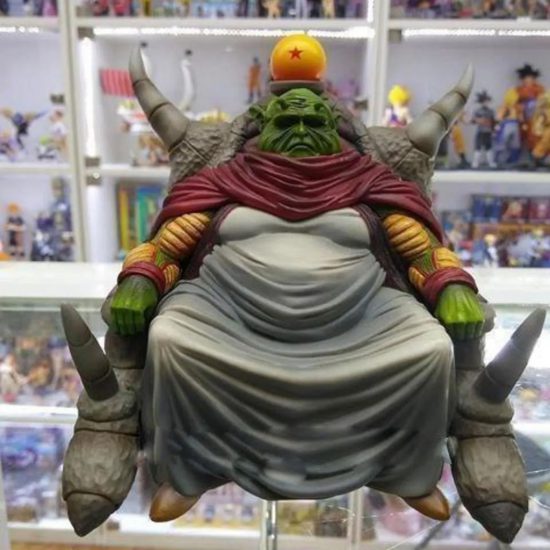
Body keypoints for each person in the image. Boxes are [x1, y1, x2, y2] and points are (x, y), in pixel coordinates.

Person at [111, 84, 484, 524]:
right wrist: (141, 279)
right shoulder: (225, 181)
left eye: (313, 122)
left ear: (334, 127)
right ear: (264, 128)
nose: (302, 131)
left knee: (431, 349)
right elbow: (170, 245)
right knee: (169, 339)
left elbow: (418, 249)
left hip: (358, 313)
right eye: (289, 122)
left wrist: (450, 286)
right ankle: (189, 472)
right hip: (228, 310)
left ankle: (407, 472)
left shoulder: (369, 181)